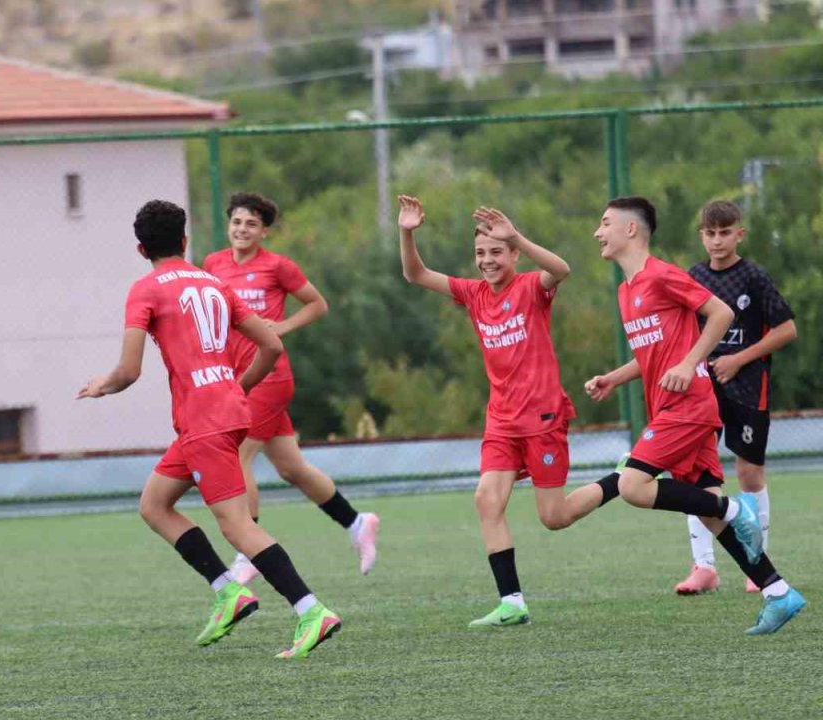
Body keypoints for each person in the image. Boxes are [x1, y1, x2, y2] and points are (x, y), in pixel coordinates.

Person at [78, 199, 340, 659]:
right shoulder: (213, 281)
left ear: (140, 249)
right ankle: (227, 591)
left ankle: (311, 610)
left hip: (203, 419)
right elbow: (271, 344)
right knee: (155, 504)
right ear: (184, 241)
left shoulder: (146, 289)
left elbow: (129, 370)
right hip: (225, 410)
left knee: (237, 527)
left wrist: (104, 385)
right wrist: (238, 386)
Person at [585, 196, 805, 634]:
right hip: (669, 405)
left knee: (632, 485)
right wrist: (615, 377)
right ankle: (778, 591)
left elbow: (721, 313)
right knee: (706, 511)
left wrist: (690, 365)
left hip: (689, 406)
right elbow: (654, 355)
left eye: (605, 222)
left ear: (631, 230)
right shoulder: (626, 290)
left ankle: (733, 508)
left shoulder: (663, 275)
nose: (598, 232)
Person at [396, 195, 606, 628]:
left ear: (512, 253)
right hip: (502, 422)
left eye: (496, 251)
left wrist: (519, 237)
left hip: (543, 417)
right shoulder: (473, 294)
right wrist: (407, 231)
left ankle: (623, 478)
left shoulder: (531, 287)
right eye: (480, 253)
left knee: (554, 517)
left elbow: (562, 269)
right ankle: (512, 602)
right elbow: (414, 273)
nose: (487, 260)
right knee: (486, 499)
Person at [202, 192, 379, 583]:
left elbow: (317, 304)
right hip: (236, 376)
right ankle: (357, 523)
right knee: (292, 468)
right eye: (236, 222)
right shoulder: (213, 263)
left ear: (264, 231)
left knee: (237, 455)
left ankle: (248, 550)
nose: (242, 229)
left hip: (270, 377)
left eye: (251, 224)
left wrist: (283, 327)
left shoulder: (278, 266)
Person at [673, 201, 797, 595]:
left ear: (739, 234)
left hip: (747, 386)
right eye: (710, 233)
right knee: (695, 473)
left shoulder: (754, 277)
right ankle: (703, 566)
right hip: (701, 388)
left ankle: (755, 564)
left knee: (748, 473)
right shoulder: (693, 277)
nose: (717, 240)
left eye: (725, 232)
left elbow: (786, 329)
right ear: (701, 236)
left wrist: (737, 359)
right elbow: (682, 333)